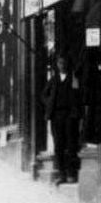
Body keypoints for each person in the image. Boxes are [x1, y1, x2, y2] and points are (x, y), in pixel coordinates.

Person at [42, 55, 81, 185]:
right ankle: (61, 174)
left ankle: (71, 173)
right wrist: (50, 105)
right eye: (60, 63)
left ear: (67, 64)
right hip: (56, 116)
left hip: (69, 116)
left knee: (70, 144)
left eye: (64, 63)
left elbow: (77, 95)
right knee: (58, 145)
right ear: (57, 65)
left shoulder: (73, 78)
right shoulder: (53, 80)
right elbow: (43, 95)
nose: (62, 65)